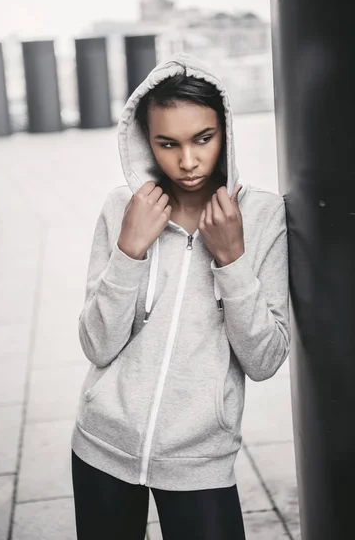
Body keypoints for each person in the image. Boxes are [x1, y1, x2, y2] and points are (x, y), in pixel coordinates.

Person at [70, 52, 290, 539]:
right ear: (146, 142)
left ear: (225, 133)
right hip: (102, 444)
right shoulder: (123, 208)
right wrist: (130, 249)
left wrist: (231, 260)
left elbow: (265, 358)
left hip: (201, 458)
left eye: (203, 140)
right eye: (168, 144)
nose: (187, 161)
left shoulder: (262, 216)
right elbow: (96, 344)